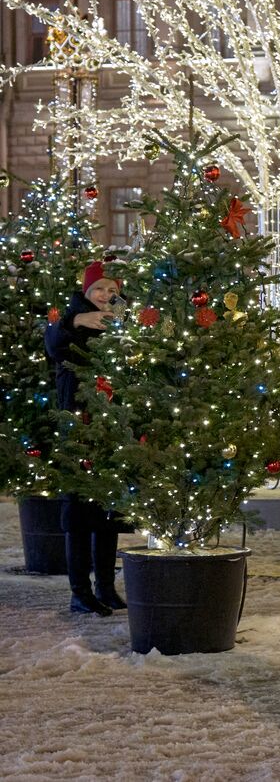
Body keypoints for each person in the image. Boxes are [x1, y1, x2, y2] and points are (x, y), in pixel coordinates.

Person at [45, 261, 125, 616]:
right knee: (78, 508)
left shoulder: (119, 323)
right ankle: (79, 591)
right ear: (87, 290)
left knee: (108, 508)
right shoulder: (70, 318)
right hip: (79, 423)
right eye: (100, 289)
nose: (105, 296)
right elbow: (53, 344)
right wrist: (76, 322)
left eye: (112, 291)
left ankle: (105, 587)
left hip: (111, 424)